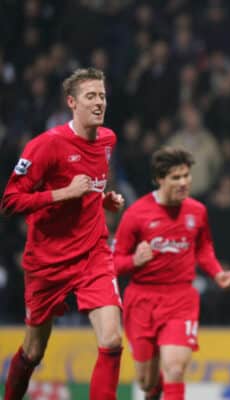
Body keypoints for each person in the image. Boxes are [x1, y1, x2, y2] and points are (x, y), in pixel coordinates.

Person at [1, 68, 124, 400]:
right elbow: (10, 201)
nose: (99, 102)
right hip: (47, 261)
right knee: (33, 351)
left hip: (92, 253)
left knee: (112, 340)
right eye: (90, 96)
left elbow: (88, 187)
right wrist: (61, 194)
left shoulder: (108, 141)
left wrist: (103, 199)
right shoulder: (46, 146)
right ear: (72, 102)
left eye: (102, 95)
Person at [113, 147, 230, 400]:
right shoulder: (136, 214)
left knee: (174, 367)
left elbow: (203, 248)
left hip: (181, 298)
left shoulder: (197, 211)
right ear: (159, 179)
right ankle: (154, 387)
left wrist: (217, 274)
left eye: (186, 176)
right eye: (176, 177)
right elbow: (113, 262)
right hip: (142, 300)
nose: (184, 183)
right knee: (146, 382)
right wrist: (134, 261)